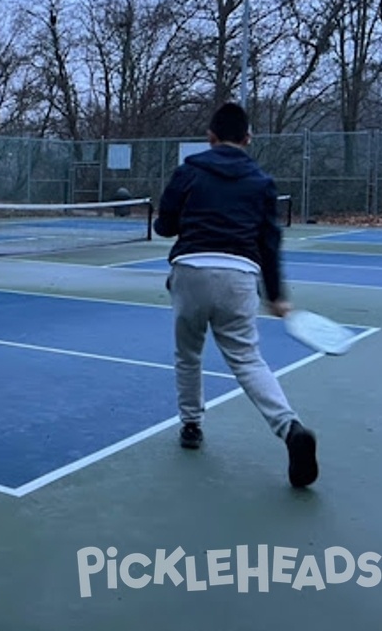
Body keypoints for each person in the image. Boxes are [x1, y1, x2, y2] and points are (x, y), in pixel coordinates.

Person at [153, 102, 318, 488]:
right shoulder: (261, 181)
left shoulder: (189, 170)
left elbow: (164, 226)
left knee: (188, 355)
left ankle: (191, 427)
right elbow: (269, 243)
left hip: (191, 272)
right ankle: (289, 428)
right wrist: (276, 295)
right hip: (241, 276)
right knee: (247, 360)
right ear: (247, 139)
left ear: (210, 138)